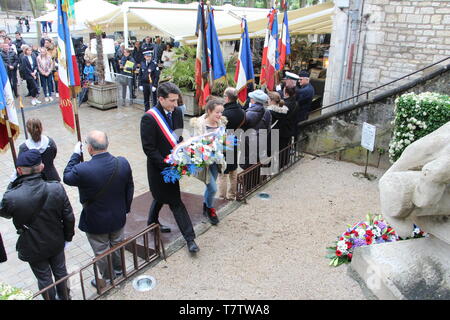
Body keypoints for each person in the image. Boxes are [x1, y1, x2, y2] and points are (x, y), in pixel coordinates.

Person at [0, 149, 75, 300]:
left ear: (19, 170)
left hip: (32, 245)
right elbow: (69, 217)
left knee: (44, 279)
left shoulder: (12, 196)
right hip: (55, 240)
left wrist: (11, 184)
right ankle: (65, 298)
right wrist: (67, 237)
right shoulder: (56, 187)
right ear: (41, 167)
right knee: (61, 273)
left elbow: (4, 213)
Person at [63, 130, 134, 288]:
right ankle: (119, 271)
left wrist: (75, 155)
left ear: (89, 149)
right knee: (117, 245)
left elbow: (67, 176)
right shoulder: (122, 162)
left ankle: (109, 278)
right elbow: (130, 188)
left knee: (101, 252)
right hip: (118, 216)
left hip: (96, 220)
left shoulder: (83, 169)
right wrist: (125, 208)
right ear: (107, 144)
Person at [140, 82, 199, 253]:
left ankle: (152, 222)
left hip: (174, 164)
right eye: (172, 101)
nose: (175, 104)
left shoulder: (178, 112)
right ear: (161, 99)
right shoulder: (149, 118)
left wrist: (184, 155)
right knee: (175, 202)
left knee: (160, 196)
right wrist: (167, 165)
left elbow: (178, 138)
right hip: (159, 169)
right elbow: (149, 149)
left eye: (176, 100)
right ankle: (190, 238)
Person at [190, 98, 227, 225]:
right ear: (209, 111)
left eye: (221, 112)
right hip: (203, 162)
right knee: (212, 188)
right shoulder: (199, 125)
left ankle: (206, 206)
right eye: (217, 112)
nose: (220, 115)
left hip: (216, 161)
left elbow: (222, 141)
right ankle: (211, 209)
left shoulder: (221, 124)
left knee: (210, 187)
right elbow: (194, 144)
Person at [218, 87, 245, 201]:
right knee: (233, 170)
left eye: (224, 96)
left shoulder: (224, 113)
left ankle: (222, 198)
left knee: (223, 172)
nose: (223, 98)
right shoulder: (242, 111)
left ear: (227, 98)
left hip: (225, 142)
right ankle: (231, 195)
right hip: (235, 140)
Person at [240, 89, 272, 170]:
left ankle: (249, 181)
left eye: (251, 98)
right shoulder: (267, 112)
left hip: (248, 141)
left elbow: (243, 128)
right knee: (257, 162)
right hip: (261, 140)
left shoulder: (248, 113)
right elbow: (268, 128)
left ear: (253, 100)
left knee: (248, 163)